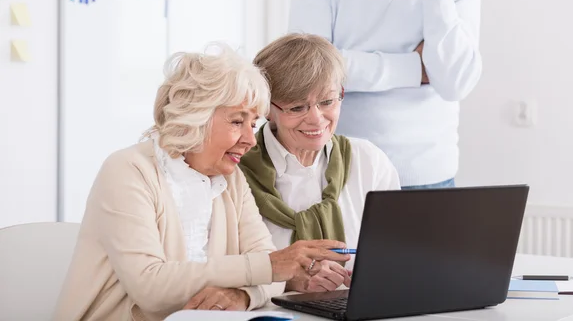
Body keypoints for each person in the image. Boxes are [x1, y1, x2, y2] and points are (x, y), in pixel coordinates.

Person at [53, 45, 350, 321]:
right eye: (237, 121)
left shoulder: (232, 180)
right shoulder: (128, 170)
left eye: (254, 124)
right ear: (194, 117)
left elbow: (273, 277)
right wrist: (271, 267)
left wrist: (241, 296)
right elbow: (150, 288)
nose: (249, 139)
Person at [288, 0, 482, 189]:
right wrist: (414, 68)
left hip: (428, 175)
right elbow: (310, 69)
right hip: (343, 169)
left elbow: (455, 82)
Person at [239, 33, 400, 294]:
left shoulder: (368, 161)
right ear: (266, 107)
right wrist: (289, 280)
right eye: (297, 107)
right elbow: (221, 267)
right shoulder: (236, 171)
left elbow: (396, 251)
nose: (316, 119)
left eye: (327, 101)